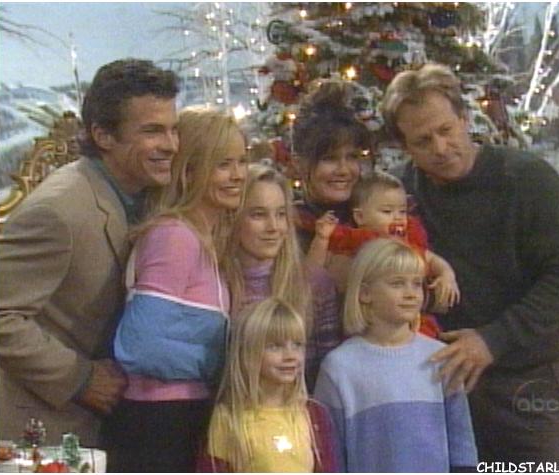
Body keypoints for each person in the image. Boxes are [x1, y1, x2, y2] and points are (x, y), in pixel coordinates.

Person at [382, 63, 559, 463]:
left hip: (531, 381)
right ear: (405, 146)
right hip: (440, 382)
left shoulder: (527, 179)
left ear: (465, 119)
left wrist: (492, 340)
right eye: (423, 141)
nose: (440, 148)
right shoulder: (398, 195)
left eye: (446, 130)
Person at [0, 58, 179, 446]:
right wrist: (79, 377)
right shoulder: (58, 210)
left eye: (172, 129)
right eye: (152, 131)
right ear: (103, 135)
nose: (170, 145)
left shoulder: (148, 197)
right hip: (44, 431)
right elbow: (0, 315)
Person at [104, 107, 247, 472]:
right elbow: (139, 346)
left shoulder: (204, 240)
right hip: (158, 424)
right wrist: (223, 364)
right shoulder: (174, 236)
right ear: (189, 171)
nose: (238, 175)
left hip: (184, 416)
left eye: (241, 162)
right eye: (223, 164)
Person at [314, 239, 477, 472]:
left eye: (417, 284)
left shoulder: (439, 356)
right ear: (365, 293)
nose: (411, 294)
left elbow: (462, 443)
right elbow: (330, 453)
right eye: (397, 283)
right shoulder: (340, 367)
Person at [223, 164, 341, 390]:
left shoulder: (314, 283)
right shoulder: (213, 282)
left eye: (281, 214)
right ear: (232, 218)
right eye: (258, 215)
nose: (274, 227)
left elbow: (325, 375)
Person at [197, 298, 338, 472]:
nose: (290, 356)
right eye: (275, 346)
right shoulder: (228, 418)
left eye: (297, 345)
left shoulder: (314, 415)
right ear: (248, 353)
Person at [307, 170, 460, 315]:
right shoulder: (354, 238)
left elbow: (432, 259)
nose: (398, 217)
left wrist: (447, 275)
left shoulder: (407, 241)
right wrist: (322, 239)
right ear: (360, 217)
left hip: (411, 313)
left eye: (402, 211)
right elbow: (314, 270)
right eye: (387, 211)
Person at [292, 79, 372, 253]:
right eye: (329, 159)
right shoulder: (286, 229)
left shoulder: (376, 217)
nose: (343, 170)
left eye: (352, 157)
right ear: (298, 164)